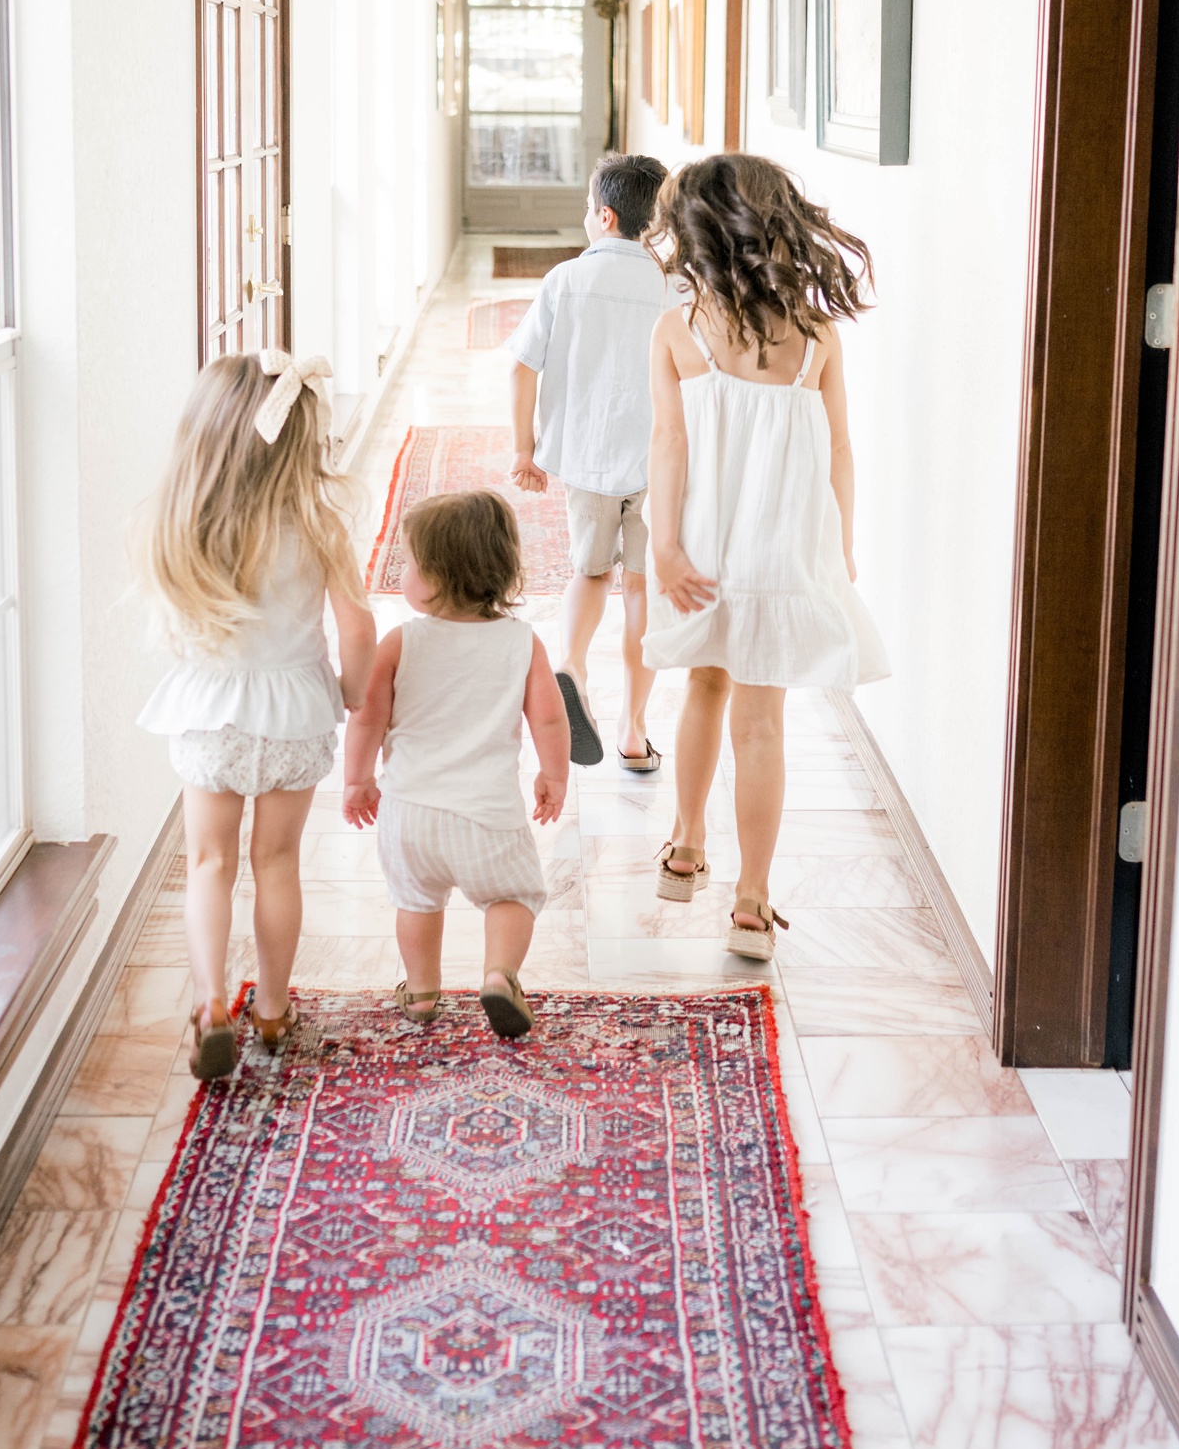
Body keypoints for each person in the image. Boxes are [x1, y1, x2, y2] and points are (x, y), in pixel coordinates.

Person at [643, 153, 890, 961]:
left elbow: (669, 445)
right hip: (783, 551)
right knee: (763, 724)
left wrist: (666, 544)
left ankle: (684, 843)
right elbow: (843, 449)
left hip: (705, 551)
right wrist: (840, 544)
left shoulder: (679, 329)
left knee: (702, 690)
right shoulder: (816, 333)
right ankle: (751, 901)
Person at [134, 351, 375, 1077]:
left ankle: (212, 1003)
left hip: (212, 715)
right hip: (294, 716)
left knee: (209, 862)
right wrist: (352, 690)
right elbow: (358, 630)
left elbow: (171, 623)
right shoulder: (319, 523)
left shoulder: (183, 522)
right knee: (277, 863)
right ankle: (271, 1009)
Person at [343, 490, 570, 1039]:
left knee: (416, 902)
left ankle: (421, 993)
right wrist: (553, 774)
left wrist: (358, 779)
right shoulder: (522, 642)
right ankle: (498, 975)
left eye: (411, 563)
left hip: (410, 814)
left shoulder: (400, 643)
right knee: (514, 895)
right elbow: (550, 720)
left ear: (439, 575)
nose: (403, 573)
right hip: (487, 817)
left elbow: (367, 719)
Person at [508, 152, 670, 773]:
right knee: (640, 587)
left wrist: (525, 449)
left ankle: (570, 663)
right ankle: (633, 730)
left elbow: (523, 366)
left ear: (605, 216)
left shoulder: (565, 279)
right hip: (656, 460)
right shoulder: (671, 286)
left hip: (588, 456)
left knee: (590, 571)